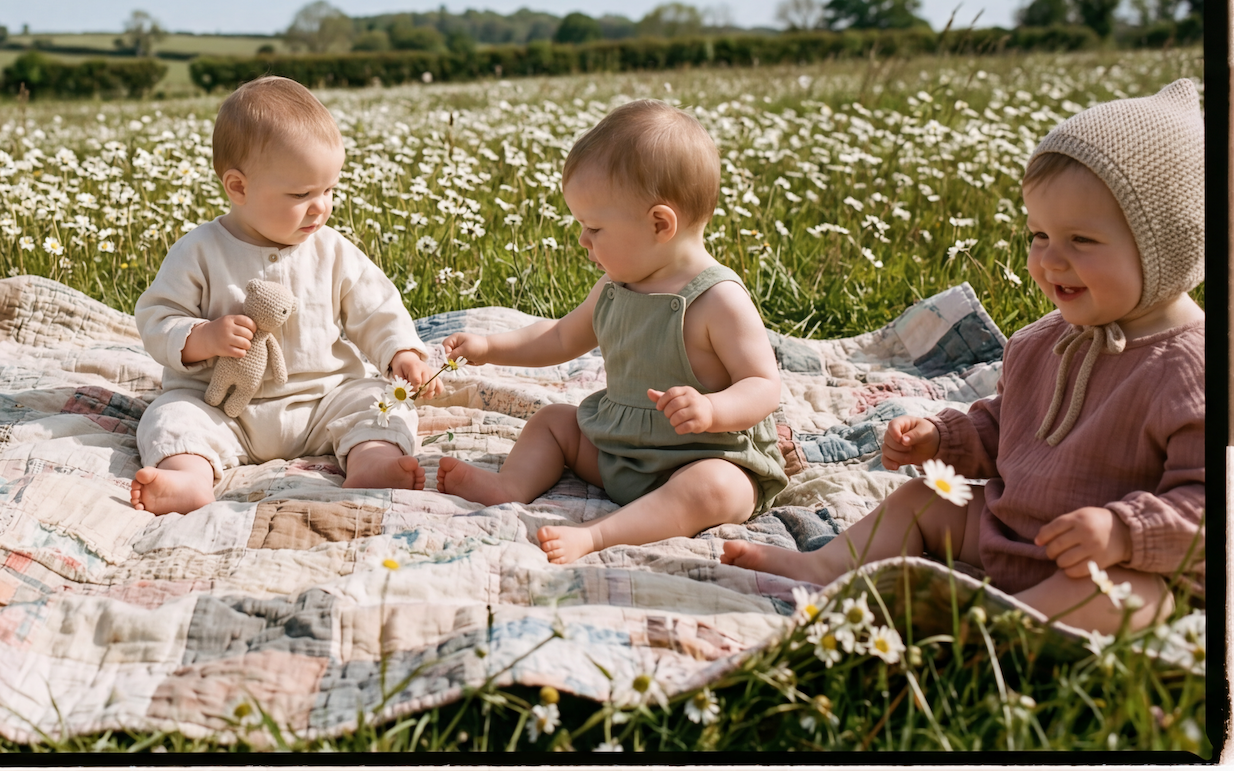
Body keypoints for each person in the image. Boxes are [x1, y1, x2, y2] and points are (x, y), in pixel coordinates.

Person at [723, 80, 1204, 633]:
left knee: (1130, 595)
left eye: (1081, 241)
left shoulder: (1193, 369)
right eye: (1039, 235)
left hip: (1111, 560)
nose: (1049, 260)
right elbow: (1009, 425)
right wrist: (943, 440)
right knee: (921, 499)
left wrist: (1124, 533)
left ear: (1168, 248)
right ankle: (826, 564)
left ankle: (1000, 636)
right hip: (1010, 530)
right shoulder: (1044, 340)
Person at [437, 99, 787, 562]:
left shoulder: (716, 299)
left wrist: (712, 409)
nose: (583, 240)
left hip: (704, 454)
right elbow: (560, 337)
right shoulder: (614, 286)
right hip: (620, 452)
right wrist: (488, 347)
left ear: (660, 224)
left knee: (716, 489)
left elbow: (764, 386)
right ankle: (510, 485)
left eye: (594, 227)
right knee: (553, 421)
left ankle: (600, 534)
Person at [130, 77, 440, 516]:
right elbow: (157, 317)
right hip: (222, 409)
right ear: (238, 187)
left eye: (329, 190)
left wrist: (401, 352)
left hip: (324, 399)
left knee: (377, 402)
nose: (321, 207)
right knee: (169, 418)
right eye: (301, 195)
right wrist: (202, 336)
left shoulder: (332, 250)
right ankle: (187, 476)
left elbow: (377, 306)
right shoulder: (199, 251)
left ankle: (374, 461)